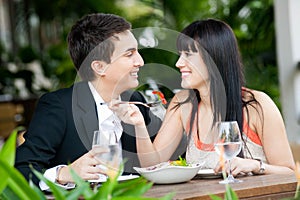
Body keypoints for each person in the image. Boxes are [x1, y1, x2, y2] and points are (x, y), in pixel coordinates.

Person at [111, 18, 295, 176]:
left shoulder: (256, 105)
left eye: (188, 55)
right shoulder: (183, 104)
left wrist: (256, 166)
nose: (179, 63)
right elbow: (152, 164)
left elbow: (289, 172)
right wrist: (139, 126)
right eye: (179, 54)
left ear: (214, 58)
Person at [15, 13, 161, 189]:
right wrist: (64, 174)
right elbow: (20, 171)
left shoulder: (135, 101)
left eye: (137, 52)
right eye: (129, 54)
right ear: (99, 66)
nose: (140, 61)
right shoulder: (59, 106)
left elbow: (161, 162)